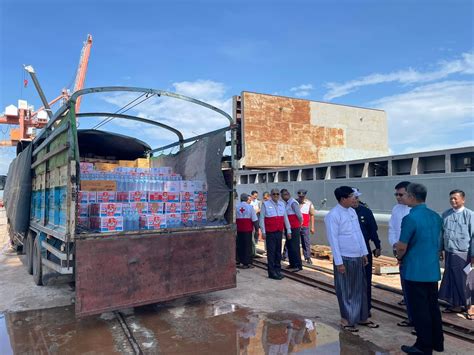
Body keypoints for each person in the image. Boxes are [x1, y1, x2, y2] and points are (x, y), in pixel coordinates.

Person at [396, 183, 444, 354]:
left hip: (414, 271)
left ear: (412, 197)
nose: (403, 197)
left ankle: (423, 346)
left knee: (419, 310)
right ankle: (437, 342)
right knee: (432, 308)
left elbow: (402, 246)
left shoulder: (410, 218)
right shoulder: (436, 217)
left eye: (405, 195)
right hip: (431, 269)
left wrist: (398, 256)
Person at [324, 186, 378, 332]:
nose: (356, 199)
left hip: (357, 256)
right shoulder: (333, 215)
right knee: (345, 289)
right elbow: (333, 240)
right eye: (353, 196)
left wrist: (364, 253)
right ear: (343, 199)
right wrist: (339, 262)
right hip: (345, 257)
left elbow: (358, 234)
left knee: (360, 288)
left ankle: (362, 317)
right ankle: (346, 319)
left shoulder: (352, 212)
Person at [439, 189, 474, 320]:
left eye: (455, 198)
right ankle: (456, 305)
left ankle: (471, 307)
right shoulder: (446, 215)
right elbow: (441, 234)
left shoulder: (470, 215)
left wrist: (473, 255)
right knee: (451, 279)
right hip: (449, 252)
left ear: (463, 200)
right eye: (451, 198)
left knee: (466, 281)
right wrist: (440, 249)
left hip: (463, 254)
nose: (453, 201)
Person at [351, 188, 381, 316]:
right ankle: (353, 307)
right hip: (350, 252)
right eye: (353, 197)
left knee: (366, 280)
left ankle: (366, 307)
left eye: (357, 197)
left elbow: (373, 230)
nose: (355, 200)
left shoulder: (365, 212)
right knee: (352, 281)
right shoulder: (344, 213)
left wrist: (378, 245)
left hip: (365, 251)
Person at [388, 181, 414, 327]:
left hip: (413, 253)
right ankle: (411, 317)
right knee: (405, 284)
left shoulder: (414, 211)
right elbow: (392, 228)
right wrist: (394, 244)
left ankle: (417, 319)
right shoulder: (396, 209)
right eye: (396, 194)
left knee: (415, 287)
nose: (398, 197)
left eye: (401, 194)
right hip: (400, 251)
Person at [260, 188, 291, 280]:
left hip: (279, 231)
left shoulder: (282, 204)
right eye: (274, 194)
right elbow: (261, 219)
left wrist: (288, 230)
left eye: (277, 194)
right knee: (271, 253)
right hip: (270, 232)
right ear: (271, 195)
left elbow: (285, 218)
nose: (276, 196)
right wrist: (263, 231)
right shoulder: (265, 205)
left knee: (278, 252)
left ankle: (278, 270)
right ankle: (272, 272)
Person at [281, 189, 303, 272]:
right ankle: (292, 263)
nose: (283, 197)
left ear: (288, 194)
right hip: (288, 228)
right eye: (283, 195)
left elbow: (299, 215)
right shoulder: (287, 203)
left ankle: (298, 265)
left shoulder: (293, 203)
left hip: (294, 227)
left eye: (284, 195)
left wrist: (299, 224)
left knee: (294, 246)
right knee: (289, 246)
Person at [236, 193, 259, 269]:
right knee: (248, 246)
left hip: (239, 229)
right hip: (247, 229)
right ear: (246, 199)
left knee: (240, 245)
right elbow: (254, 219)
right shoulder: (250, 207)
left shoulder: (236, 207)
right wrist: (256, 230)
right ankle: (247, 263)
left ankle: (239, 261)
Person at [296, 189, 316, 265]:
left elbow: (312, 215)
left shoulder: (309, 203)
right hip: (295, 225)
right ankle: (285, 255)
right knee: (292, 241)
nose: (301, 198)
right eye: (300, 196)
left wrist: (312, 227)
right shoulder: (294, 202)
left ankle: (308, 257)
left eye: (302, 196)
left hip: (305, 225)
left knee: (306, 242)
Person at [250, 190, 261, 257]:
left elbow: (260, 209)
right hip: (251, 219)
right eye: (254, 196)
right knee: (252, 233)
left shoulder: (258, 202)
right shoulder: (249, 202)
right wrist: (255, 211)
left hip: (257, 218)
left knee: (257, 232)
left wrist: (257, 210)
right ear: (252, 195)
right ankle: (253, 250)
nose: (255, 197)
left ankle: (255, 245)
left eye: (256, 196)